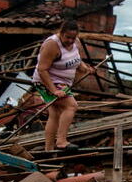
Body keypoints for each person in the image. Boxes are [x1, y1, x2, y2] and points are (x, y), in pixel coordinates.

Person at [32, 20, 95, 151]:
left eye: (73, 37)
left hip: (63, 83)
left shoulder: (75, 43)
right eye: (68, 37)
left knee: (55, 114)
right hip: (46, 81)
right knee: (71, 106)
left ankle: (48, 150)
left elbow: (77, 60)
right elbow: (42, 69)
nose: (70, 40)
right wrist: (53, 90)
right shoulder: (52, 45)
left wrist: (85, 68)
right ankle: (61, 141)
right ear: (61, 33)